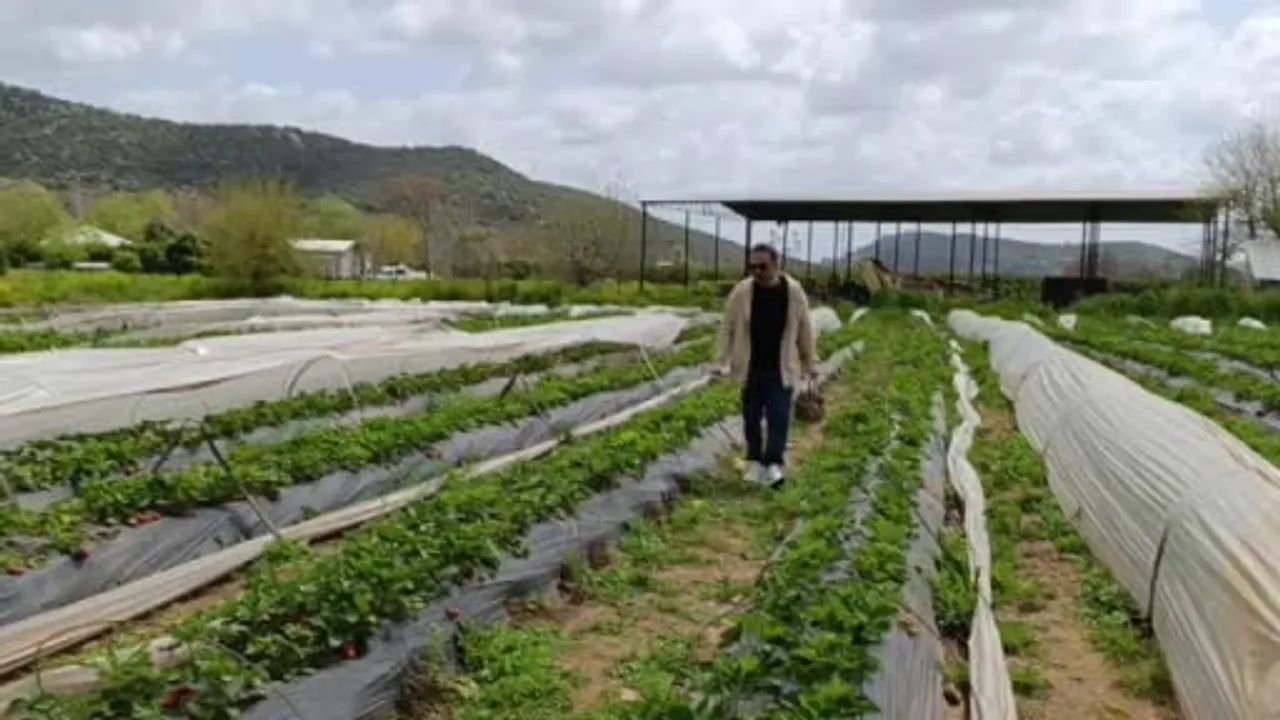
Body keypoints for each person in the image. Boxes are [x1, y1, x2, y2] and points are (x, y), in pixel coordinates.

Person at [713, 243, 819, 487]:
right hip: (750, 367)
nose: (757, 271)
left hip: (782, 367)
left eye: (762, 266)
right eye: (752, 266)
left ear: (776, 264)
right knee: (751, 417)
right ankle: (753, 462)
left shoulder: (793, 292)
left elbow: (805, 329)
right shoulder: (742, 292)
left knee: (778, 416)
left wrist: (810, 362)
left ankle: (773, 464)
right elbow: (727, 327)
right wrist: (721, 361)